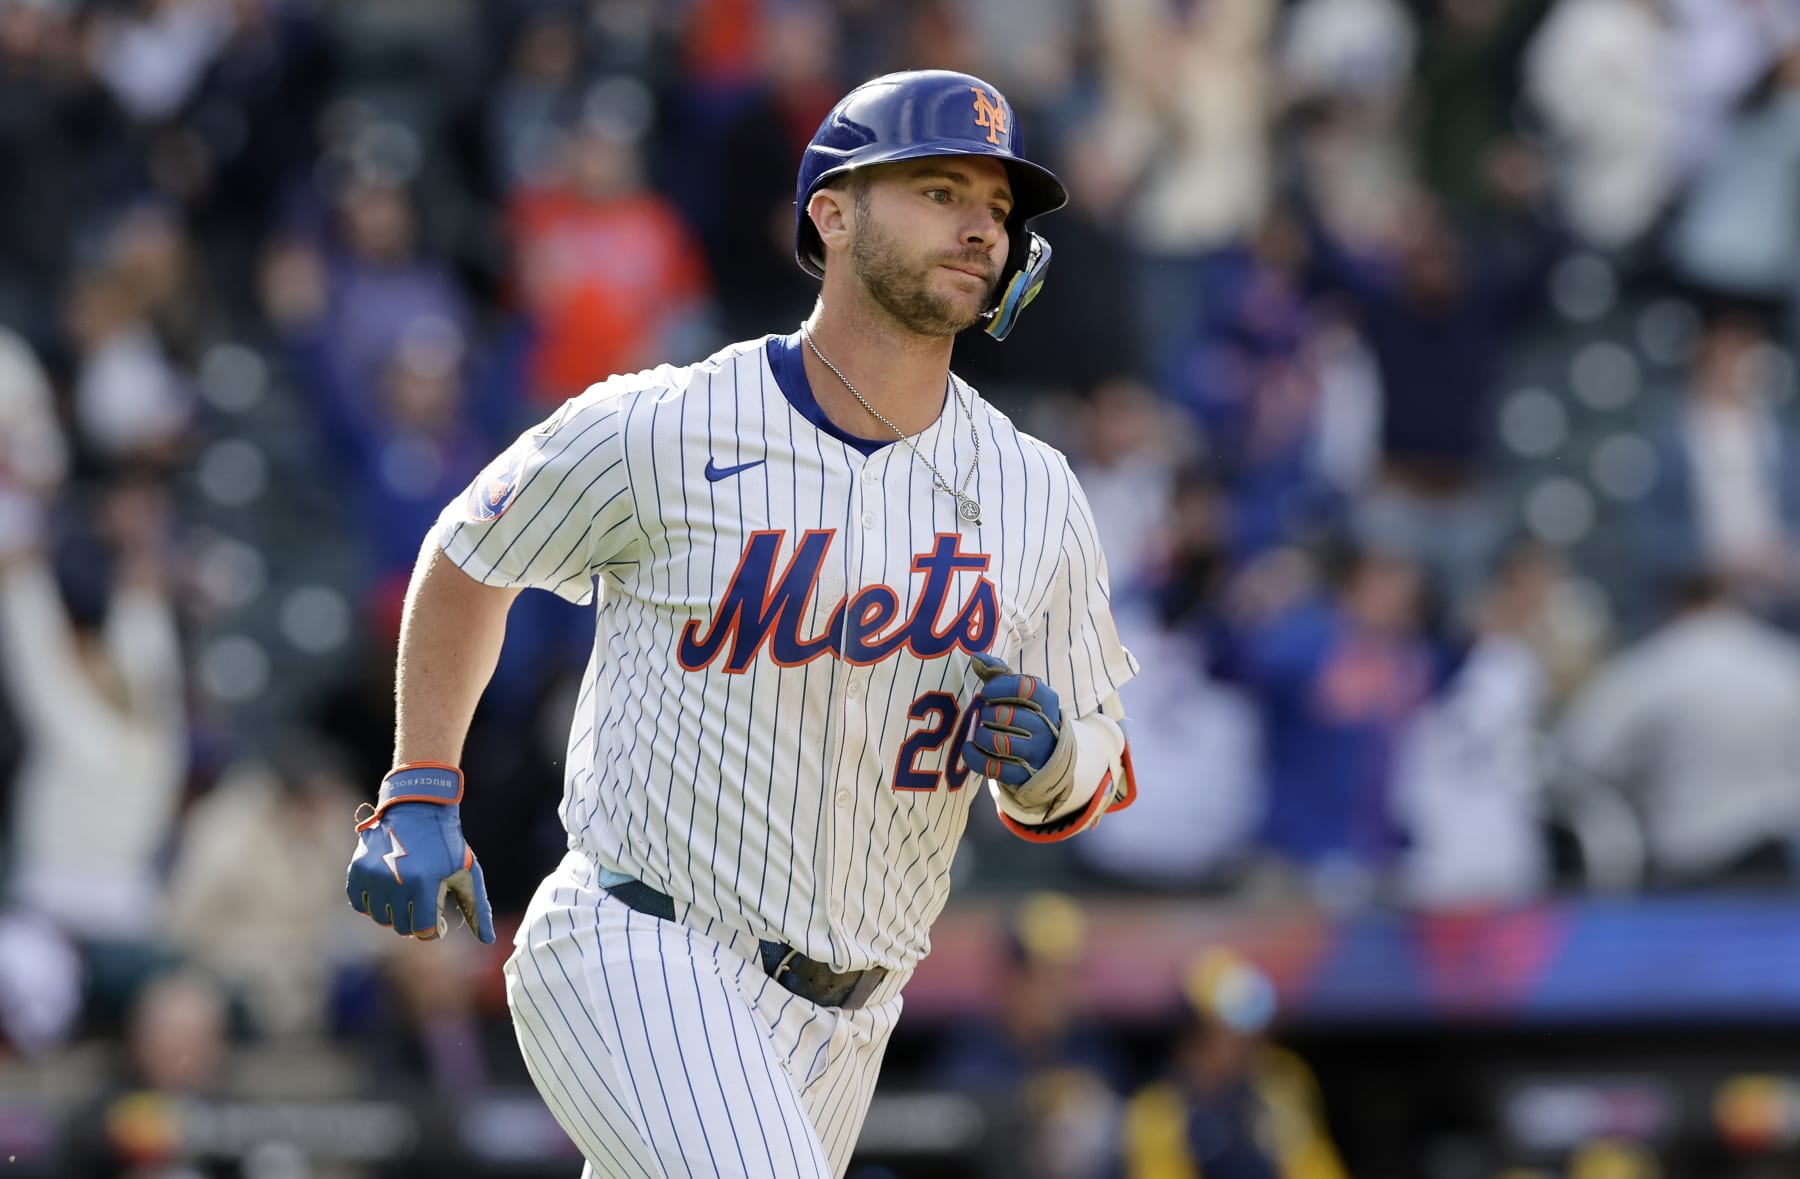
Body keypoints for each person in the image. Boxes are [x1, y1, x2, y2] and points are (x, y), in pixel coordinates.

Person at [344, 70, 1141, 1178]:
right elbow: (469, 555)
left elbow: (1098, 754)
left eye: (1000, 209)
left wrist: (1054, 759)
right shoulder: (666, 424)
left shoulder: (1033, 488)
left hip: (852, 1014)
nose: (980, 227)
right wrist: (422, 781)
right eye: (940, 188)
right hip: (639, 941)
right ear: (833, 211)